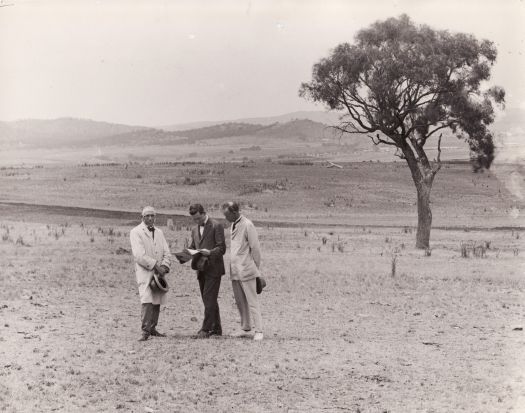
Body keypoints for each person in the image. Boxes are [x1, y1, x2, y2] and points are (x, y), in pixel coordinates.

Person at [222, 201, 264, 341]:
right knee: (240, 301)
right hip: (235, 271)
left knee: (252, 301)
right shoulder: (233, 224)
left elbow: (255, 249)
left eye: (227, 215)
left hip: (247, 270)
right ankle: (245, 327)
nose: (226, 218)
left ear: (235, 212)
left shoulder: (248, 225)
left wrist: (256, 269)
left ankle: (259, 330)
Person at [130, 206, 171, 341]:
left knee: (157, 298)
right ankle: (145, 330)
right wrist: (155, 265)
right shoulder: (136, 232)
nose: (150, 218)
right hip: (145, 271)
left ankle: (153, 328)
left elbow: (166, 251)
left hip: (159, 272)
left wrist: (164, 265)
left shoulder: (159, 232)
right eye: (147, 216)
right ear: (142, 217)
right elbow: (139, 255)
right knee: (147, 300)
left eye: (152, 215)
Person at [188, 204, 226, 338]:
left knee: (209, 298)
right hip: (201, 268)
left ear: (204, 213)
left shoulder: (216, 226)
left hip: (214, 268)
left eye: (198, 218)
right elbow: (193, 246)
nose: (197, 222)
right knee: (208, 299)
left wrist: (209, 252)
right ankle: (216, 329)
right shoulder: (194, 229)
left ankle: (206, 329)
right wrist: (185, 253)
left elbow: (222, 248)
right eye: (194, 219)